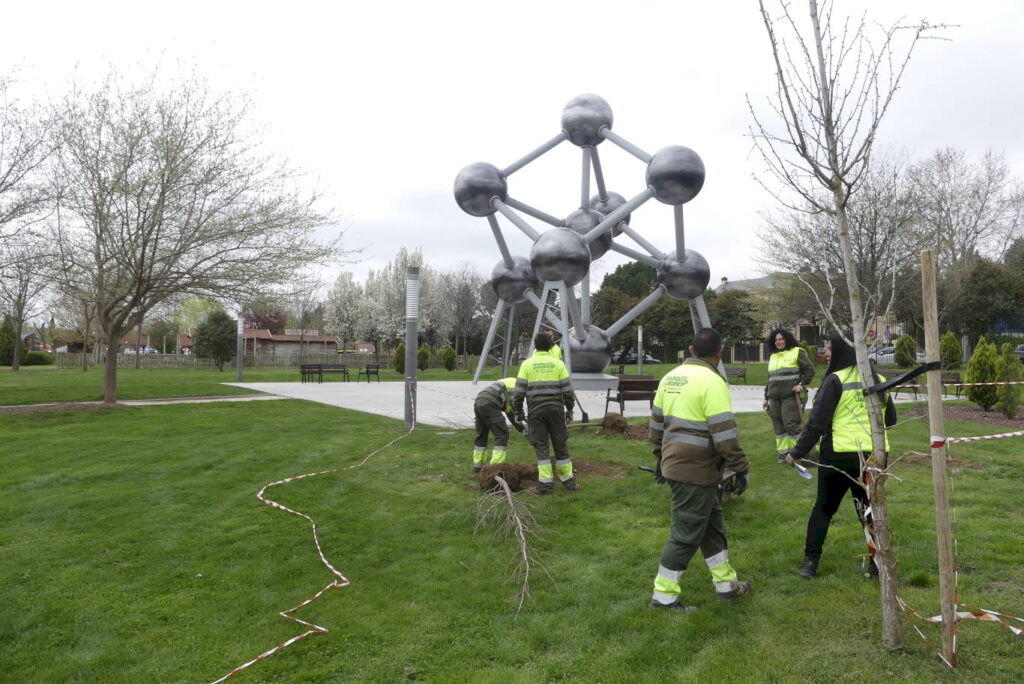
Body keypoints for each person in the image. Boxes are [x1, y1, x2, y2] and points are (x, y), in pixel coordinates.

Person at [649, 327, 752, 611]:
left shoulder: (670, 377)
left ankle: (727, 586)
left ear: (691, 350)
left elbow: (655, 426)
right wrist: (741, 468)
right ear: (720, 354)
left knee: (712, 529)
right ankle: (664, 597)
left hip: (678, 465)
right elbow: (725, 436)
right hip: (696, 471)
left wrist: (660, 457)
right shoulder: (714, 382)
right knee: (684, 536)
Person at [784, 332, 896, 580]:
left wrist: (796, 453)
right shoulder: (878, 379)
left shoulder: (835, 380)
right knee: (869, 511)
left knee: (824, 509)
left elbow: (816, 423)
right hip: (873, 458)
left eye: (830, 349)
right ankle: (877, 565)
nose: (826, 353)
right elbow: (890, 420)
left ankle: (810, 563)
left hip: (838, 456)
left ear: (842, 351)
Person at [513, 332, 576, 494]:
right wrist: (569, 409)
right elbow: (568, 391)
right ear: (550, 346)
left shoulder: (527, 365)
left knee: (541, 447)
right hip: (556, 411)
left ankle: (545, 486)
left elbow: (518, 393)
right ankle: (569, 483)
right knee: (561, 445)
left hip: (536, 412)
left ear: (535, 346)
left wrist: (519, 412)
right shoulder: (558, 364)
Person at [762, 328, 815, 461]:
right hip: (774, 398)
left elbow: (810, 370)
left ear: (787, 339)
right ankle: (783, 455)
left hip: (791, 397)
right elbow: (771, 379)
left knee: (791, 424)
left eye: (781, 339)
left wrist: (801, 384)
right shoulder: (773, 356)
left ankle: (800, 453)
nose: (778, 342)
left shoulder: (797, 352)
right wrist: (766, 398)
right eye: (776, 340)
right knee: (778, 426)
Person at [472, 377, 524, 473]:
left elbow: (510, 411)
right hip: (490, 403)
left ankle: (478, 467)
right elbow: (512, 411)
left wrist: (520, 426)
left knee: (482, 435)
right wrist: (522, 428)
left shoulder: (511, 382)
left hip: (479, 401)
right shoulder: (518, 387)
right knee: (502, 434)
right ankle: (495, 467)